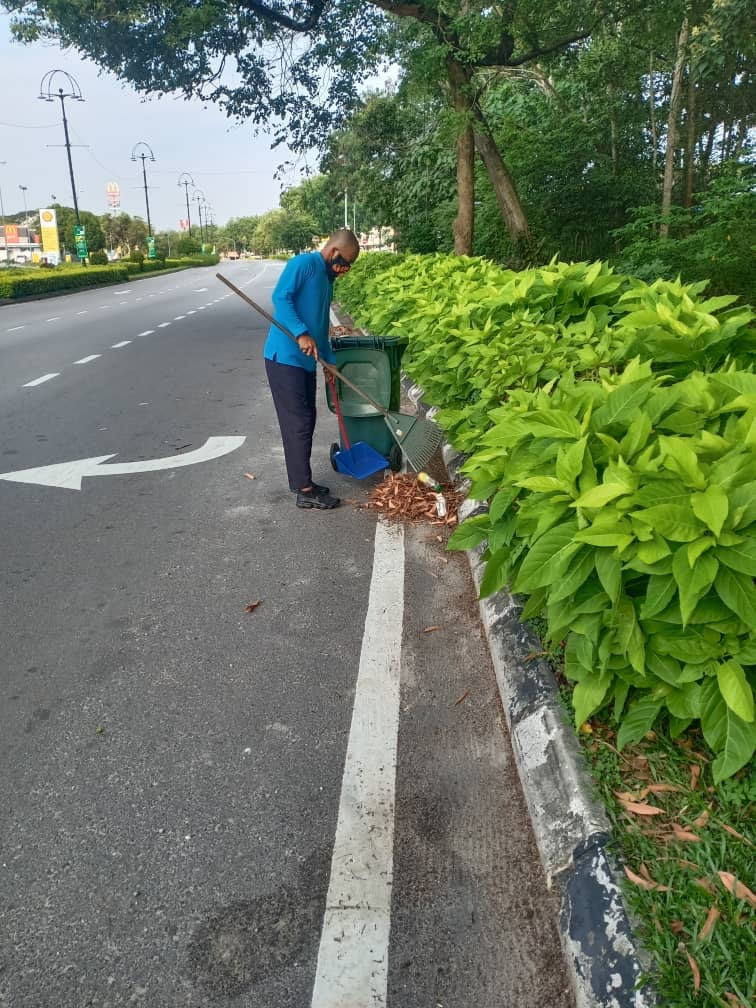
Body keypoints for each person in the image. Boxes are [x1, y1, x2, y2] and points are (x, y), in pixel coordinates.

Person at [263, 228, 360, 510]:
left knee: (308, 418)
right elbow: (281, 298)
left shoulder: (327, 280)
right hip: (284, 358)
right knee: (298, 423)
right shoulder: (304, 265)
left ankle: (304, 481)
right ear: (333, 253)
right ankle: (304, 489)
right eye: (345, 263)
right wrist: (300, 333)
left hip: (306, 360)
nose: (345, 270)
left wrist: (328, 360)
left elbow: (320, 324)